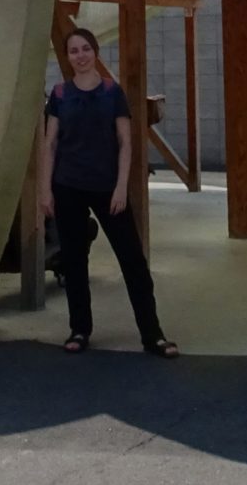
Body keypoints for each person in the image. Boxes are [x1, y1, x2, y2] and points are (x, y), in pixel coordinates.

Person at [40, 27, 178, 357]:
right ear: (68, 57)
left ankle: (152, 333)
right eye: (74, 51)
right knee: (74, 262)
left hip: (107, 187)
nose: (81, 56)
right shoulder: (59, 95)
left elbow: (126, 142)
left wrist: (120, 187)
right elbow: (49, 145)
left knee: (132, 261)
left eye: (86, 49)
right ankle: (79, 329)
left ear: (96, 52)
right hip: (68, 186)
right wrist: (45, 190)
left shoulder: (112, 93)